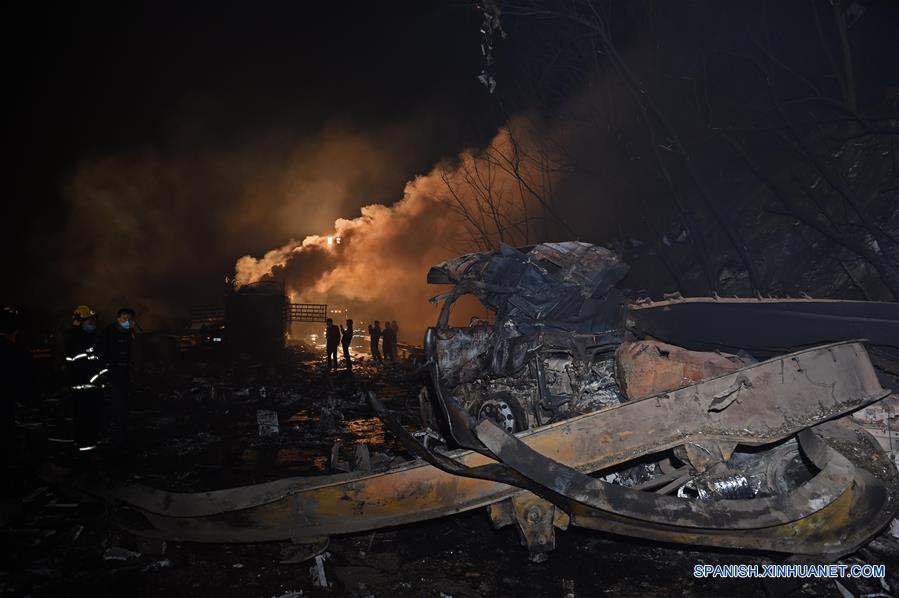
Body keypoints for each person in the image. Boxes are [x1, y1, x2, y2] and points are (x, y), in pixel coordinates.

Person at [65, 305, 105, 451]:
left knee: (92, 420)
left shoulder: (88, 339)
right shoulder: (76, 340)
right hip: (82, 388)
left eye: (93, 321)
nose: (93, 324)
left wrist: (103, 375)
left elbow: (96, 361)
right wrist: (98, 379)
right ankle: (86, 452)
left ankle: (91, 446)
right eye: (89, 321)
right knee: (85, 420)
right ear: (79, 321)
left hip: (90, 388)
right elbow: (83, 366)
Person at [1, 307, 34, 469]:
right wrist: (28, 400)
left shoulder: (12, 349)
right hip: (8, 402)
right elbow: (22, 379)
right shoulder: (15, 352)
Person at [98, 307, 135, 439]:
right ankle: (116, 427)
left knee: (124, 398)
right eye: (125, 319)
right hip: (112, 373)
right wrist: (104, 373)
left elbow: (131, 353)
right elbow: (102, 354)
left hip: (124, 372)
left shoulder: (130, 333)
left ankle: (122, 425)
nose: (128, 321)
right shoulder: (108, 333)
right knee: (115, 399)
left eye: (130, 319)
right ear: (118, 319)